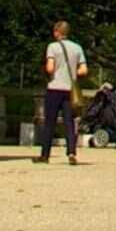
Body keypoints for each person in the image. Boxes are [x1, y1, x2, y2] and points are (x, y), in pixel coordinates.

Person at [40, 19, 88, 165]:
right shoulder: (77, 48)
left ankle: (45, 155)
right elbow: (84, 70)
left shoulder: (53, 47)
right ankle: (71, 151)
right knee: (69, 122)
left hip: (55, 88)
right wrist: (72, 73)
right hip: (69, 90)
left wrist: (53, 70)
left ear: (57, 32)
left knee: (50, 122)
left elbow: (50, 68)